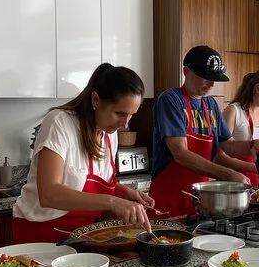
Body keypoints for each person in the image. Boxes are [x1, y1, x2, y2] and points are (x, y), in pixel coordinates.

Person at [13, 63, 155, 244]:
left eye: (131, 115)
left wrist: (124, 192)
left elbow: (92, 185)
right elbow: (49, 194)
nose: (125, 124)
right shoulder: (59, 122)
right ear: (95, 100)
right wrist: (112, 202)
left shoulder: (109, 133)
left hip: (81, 236)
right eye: (119, 113)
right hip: (41, 235)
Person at [149, 45, 259, 217]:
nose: (211, 84)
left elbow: (228, 146)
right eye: (205, 78)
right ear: (186, 71)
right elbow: (180, 154)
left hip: (201, 201)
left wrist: (253, 145)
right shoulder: (170, 100)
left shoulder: (210, 104)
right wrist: (228, 174)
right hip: (169, 200)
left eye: (214, 79)